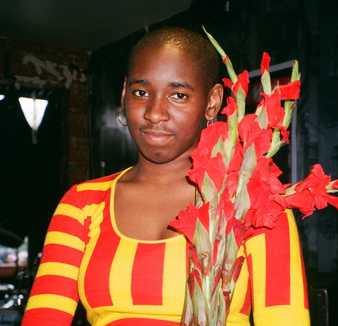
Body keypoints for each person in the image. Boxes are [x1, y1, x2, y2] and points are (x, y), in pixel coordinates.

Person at [21, 27, 310, 326]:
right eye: (141, 92)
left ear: (212, 102)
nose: (155, 113)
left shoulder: (256, 205)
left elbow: (285, 318)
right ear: (124, 94)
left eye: (179, 95)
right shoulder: (82, 203)